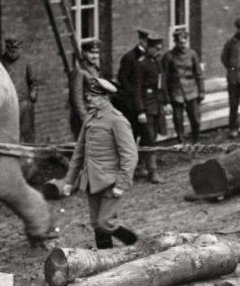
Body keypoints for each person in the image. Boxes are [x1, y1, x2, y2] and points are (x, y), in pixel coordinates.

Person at [62, 77, 138, 250]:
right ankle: (105, 258)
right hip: (91, 180)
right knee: (96, 223)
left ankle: (136, 244)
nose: (89, 98)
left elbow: (130, 155)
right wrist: (69, 180)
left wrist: (122, 184)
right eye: (89, 94)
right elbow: (79, 151)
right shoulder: (90, 118)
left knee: (105, 223)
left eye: (93, 96)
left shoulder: (117, 120)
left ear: (104, 98)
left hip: (111, 182)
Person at [133, 35, 171, 183]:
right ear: (148, 48)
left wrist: (166, 102)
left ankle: (140, 167)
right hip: (146, 107)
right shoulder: (140, 64)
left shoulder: (157, 62)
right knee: (149, 140)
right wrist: (140, 111)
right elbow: (136, 90)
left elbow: (162, 84)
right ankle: (153, 172)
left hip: (156, 106)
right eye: (156, 49)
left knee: (151, 138)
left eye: (160, 49)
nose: (159, 52)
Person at [163, 29, 204, 144]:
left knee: (195, 119)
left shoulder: (192, 54)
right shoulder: (169, 56)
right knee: (178, 119)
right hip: (176, 91)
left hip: (192, 90)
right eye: (180, 42)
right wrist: (166, 97)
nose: (182, 45)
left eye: (184, 42)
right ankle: (181, 141)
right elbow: (163, 77)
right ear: (175, 42)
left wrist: (201, 91)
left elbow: (199, 74)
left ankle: (195, 141)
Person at [0, 36, 40, 143]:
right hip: (7, 106)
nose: (13, 52)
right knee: (9, 135)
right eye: (10, 49)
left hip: (24, 105)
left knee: (26, 134)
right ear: (6, 48)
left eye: (15, 49)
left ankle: (29, 158)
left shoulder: (26, 62)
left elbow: (33, 82)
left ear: (19, 48)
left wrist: (33, 93)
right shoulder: (0, 62)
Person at [115, 27, 154, 124]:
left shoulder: (152, 57)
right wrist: (132, 94)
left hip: (149, 101)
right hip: (133, 101)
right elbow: (122, 78)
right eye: (147, 42)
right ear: (141, 40)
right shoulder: (130, 57)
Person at [70, 40, 104, 135]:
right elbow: (77, 100)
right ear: (84, 53)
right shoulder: (80, 71)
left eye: (96, 53)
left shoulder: (96, 69)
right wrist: (86, 120)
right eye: (91, 52)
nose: (94, 56)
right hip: (85, 119)